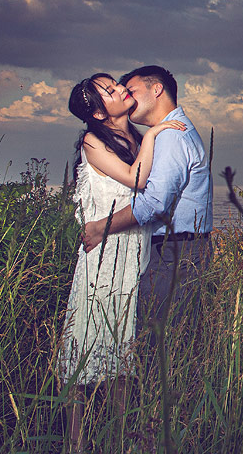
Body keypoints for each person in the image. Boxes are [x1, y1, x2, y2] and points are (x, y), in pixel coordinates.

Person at [59, 73, 186, 450]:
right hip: (104, 256)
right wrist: (154, 134)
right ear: (98, 112)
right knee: (83, 347)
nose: (121, 89)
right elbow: (136, 179)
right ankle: (75, 446)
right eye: (111, 91)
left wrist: (149, 134)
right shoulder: (93, 140)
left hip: (134, 253)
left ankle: (120, 441)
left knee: (121, 351)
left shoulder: (133, 134)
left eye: (116, 83)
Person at [80, 65, 213, 335]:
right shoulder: (154, 137)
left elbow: (153, 203)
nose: (125, 95)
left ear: (157, 90)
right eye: (118, 90)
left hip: (175, 253)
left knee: (161, 346)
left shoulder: (171, 136)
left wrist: (99, 228)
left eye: (131, 90)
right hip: (173, 251)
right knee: (167, 341)